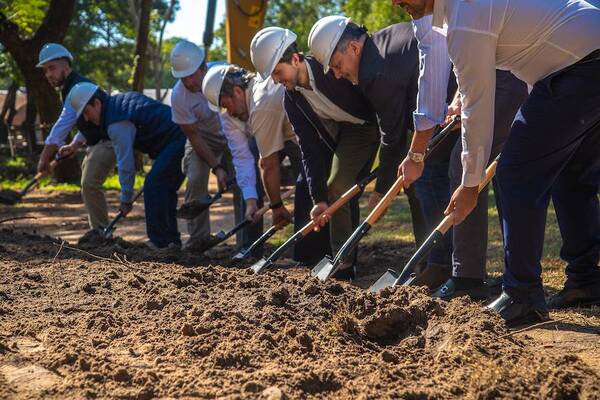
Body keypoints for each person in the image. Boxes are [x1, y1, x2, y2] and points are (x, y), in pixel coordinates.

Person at [395, 0, 600, 326]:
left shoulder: (462, 16)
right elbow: (527, 46)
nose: (395, 2)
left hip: (578, 69)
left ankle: (522, 295)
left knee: (515, 174)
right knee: (571, 176)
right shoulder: (462, 13)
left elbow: (478, 111)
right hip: (584, 59)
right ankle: (586, 280)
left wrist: (469, 185)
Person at [400, 14, 528, 295]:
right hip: (503, 68)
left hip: (517, 70)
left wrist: (416, 153)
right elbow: (474, 56)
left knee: (465, 164)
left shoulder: (450, 13)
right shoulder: (441, 15)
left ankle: (467, 278)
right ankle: (510, 275)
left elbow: (432, 83)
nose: (398, 4)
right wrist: (460, 96)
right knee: (501, 171)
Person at [250, 27, 380, 279]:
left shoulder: (330, 66)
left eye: (278, 72)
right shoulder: (292, 99)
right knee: (335, 188)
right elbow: (308, 150)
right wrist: (318, 199)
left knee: (414, 185)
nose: (276, 80)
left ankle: (433, 260)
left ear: (296, 59)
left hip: (381, 118)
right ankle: (344, 263)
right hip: (354, 133)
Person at [308, 16, 427, 250]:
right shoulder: (384, 40)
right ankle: (431, 264)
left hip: (456, 105)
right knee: (421, 185)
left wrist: (381, 191)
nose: (338, 75)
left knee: (426, 185)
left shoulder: (374, 71)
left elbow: (392, 136)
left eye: (337, 65)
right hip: (442, 110)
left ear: (353, 47)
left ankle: (438, 265)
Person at [202, 64, 330, 264]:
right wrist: (251, 200)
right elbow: (243, 158)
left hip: (302, 136)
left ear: (237, 92)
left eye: (228, 105)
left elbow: (269, 165)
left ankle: (312, 256)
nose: (229, 112)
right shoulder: (229, 116)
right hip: (274, 136)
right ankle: (250, 249)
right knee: (249, 185)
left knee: (307, 189)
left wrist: (277, 205)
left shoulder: (261, 100)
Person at [169, 41, 263, 253]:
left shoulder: (224, 75)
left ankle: (246, 242)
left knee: (245, 180)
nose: (188, 81)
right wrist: (217, 167)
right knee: (194, 178)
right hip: (204, 138)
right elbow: (193, 136)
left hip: (237, 132)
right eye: (182, 77)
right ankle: (198, 240)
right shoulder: (178, 97)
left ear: (204, 67)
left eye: (191, 75)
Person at [68, 82, 186, 249]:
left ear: (97, 103)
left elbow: (125, 162)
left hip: (178, 138)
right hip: (176, 138)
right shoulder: (116, 107)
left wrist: (126, 198)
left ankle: (160, 242)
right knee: (163, 188)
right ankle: (171, 242)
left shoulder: (116, 122)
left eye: (86, 112)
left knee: (154, 184)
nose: (87, 118)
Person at [36, 43, 116, 231]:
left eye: (52, 68)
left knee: (89, 183)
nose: (48, 74)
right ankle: (100, 231)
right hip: (98, 142)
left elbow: (62, 126)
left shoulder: (76, 87)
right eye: (46, 70)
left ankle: (101, 233)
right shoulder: (73, 87)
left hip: (109, 139)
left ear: (66, 64)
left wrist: (44, 157)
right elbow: (86, 121)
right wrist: (75, 144)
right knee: (88, 184)